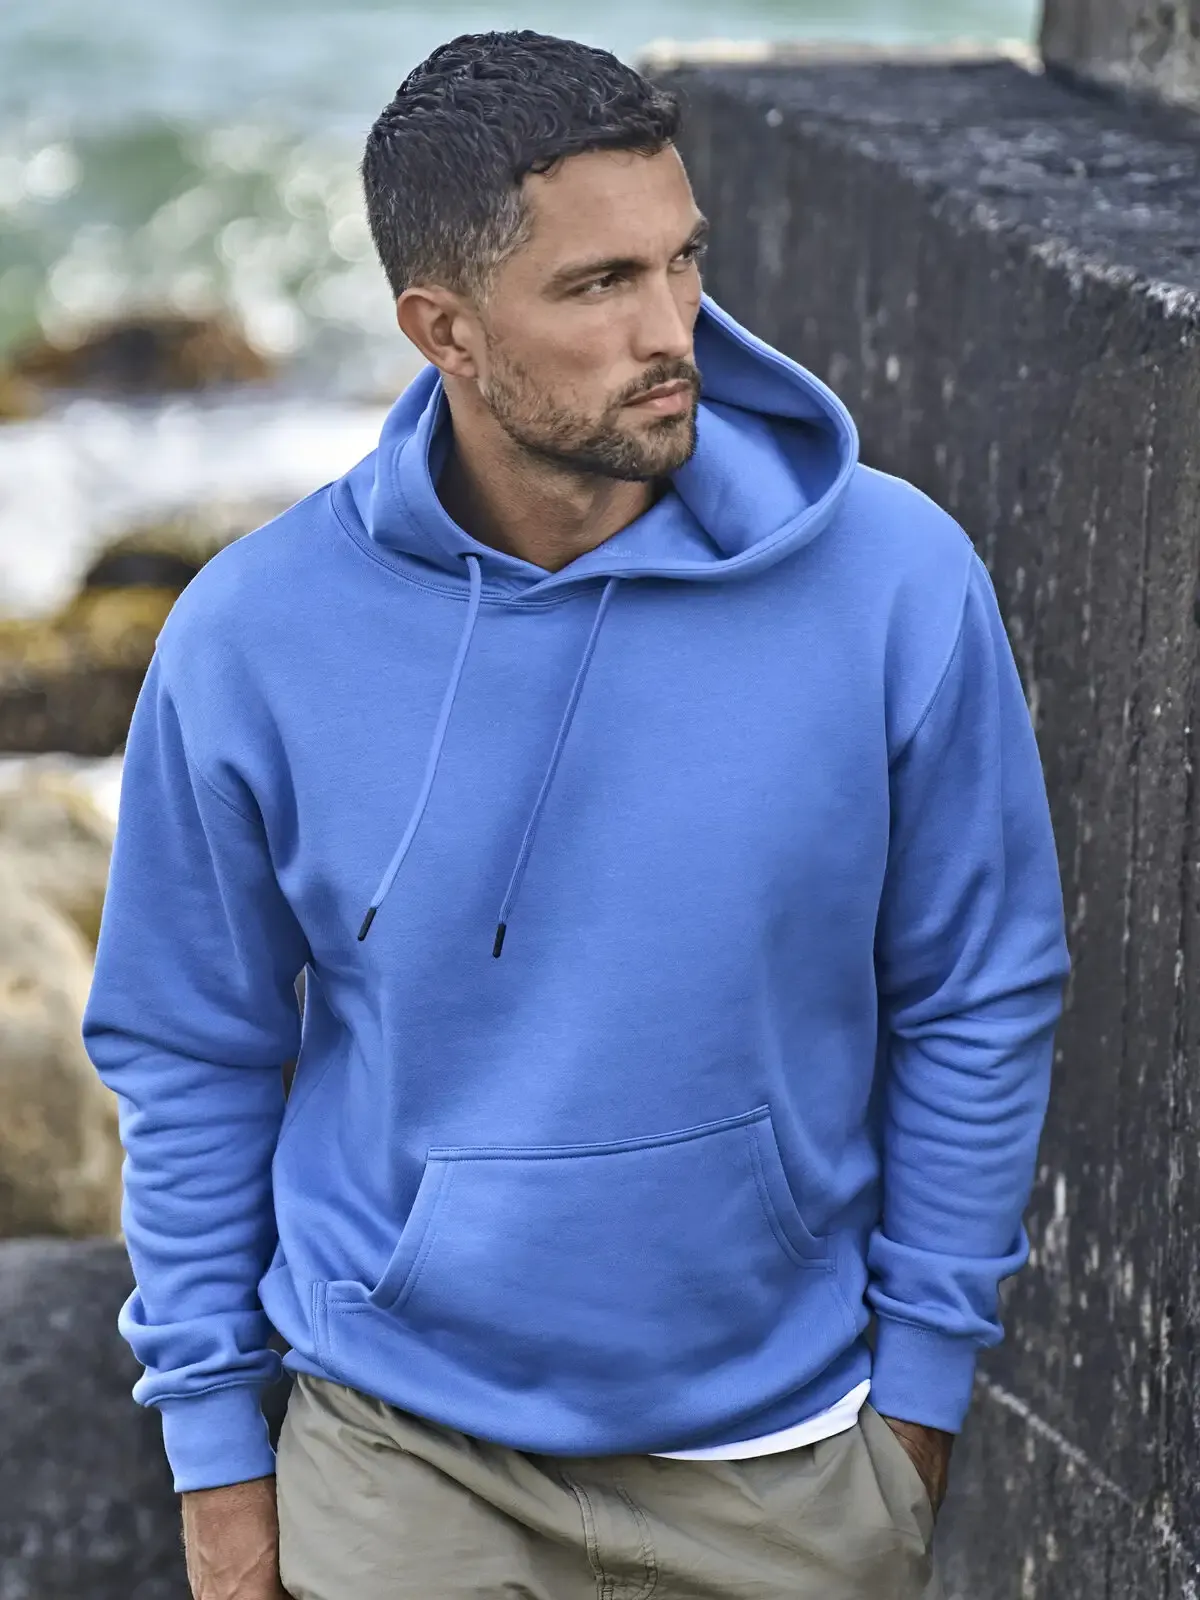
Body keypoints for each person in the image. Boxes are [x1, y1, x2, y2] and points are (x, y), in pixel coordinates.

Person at [84, 29, 1069, 1600]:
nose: (673, 329)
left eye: (683, 260)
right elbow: (192, 1050)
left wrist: (920, 1409)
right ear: (445, 330)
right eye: (600, 285)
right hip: (404, 1463)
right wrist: (216, 1465)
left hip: (790, 1470)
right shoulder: (254, 639)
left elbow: (978, 991)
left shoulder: (894, 583)